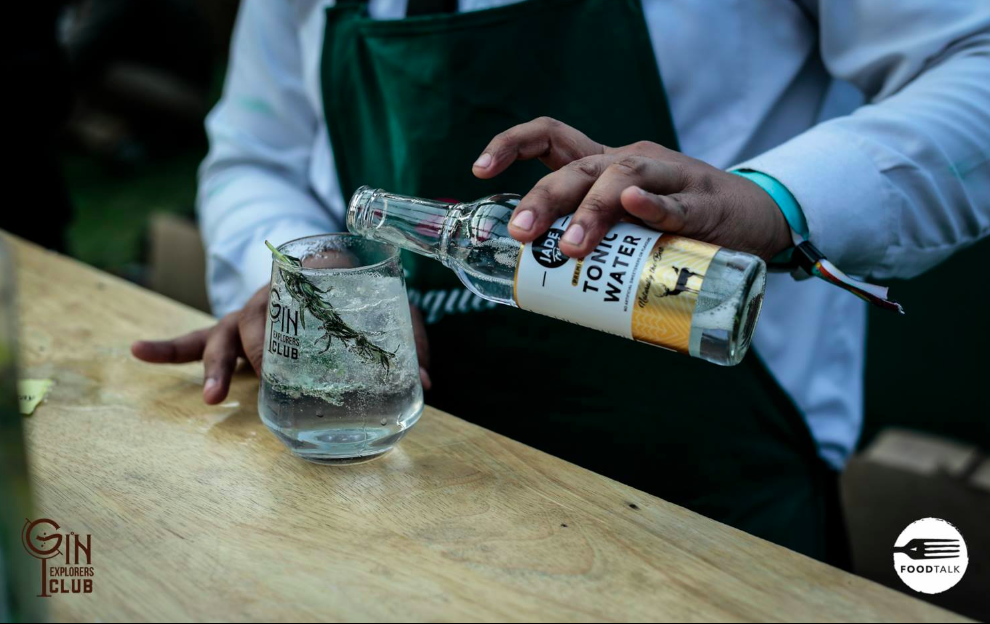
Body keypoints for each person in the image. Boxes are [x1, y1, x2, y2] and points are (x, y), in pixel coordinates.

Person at [132, 0, 990, 565]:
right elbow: (259, 151)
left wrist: (777, 198)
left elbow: (975, 57)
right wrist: (309, 268)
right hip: (411, 493)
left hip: (708, 511)